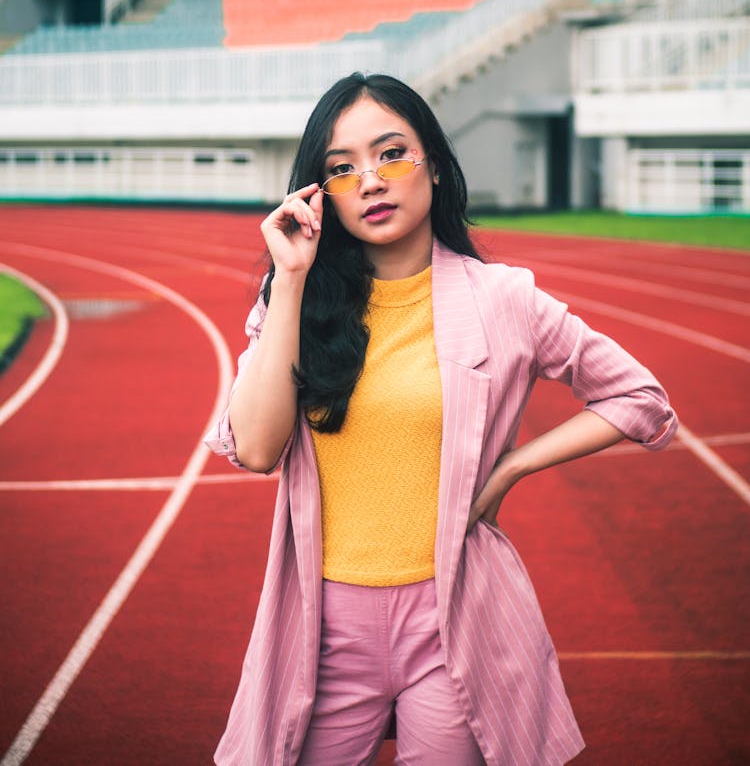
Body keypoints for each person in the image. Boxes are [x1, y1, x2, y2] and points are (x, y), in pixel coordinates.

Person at [204, 72, 677, 766]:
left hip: (453, 622)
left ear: (432, 161)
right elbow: (256, 447)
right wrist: (293, 281)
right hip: (324, 627)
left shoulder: (503, 298)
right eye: (341, 169)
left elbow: (641, 399)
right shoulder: (295, 302)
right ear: (319, 193)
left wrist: (515, 464)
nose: (370, 180)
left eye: (391, 153)